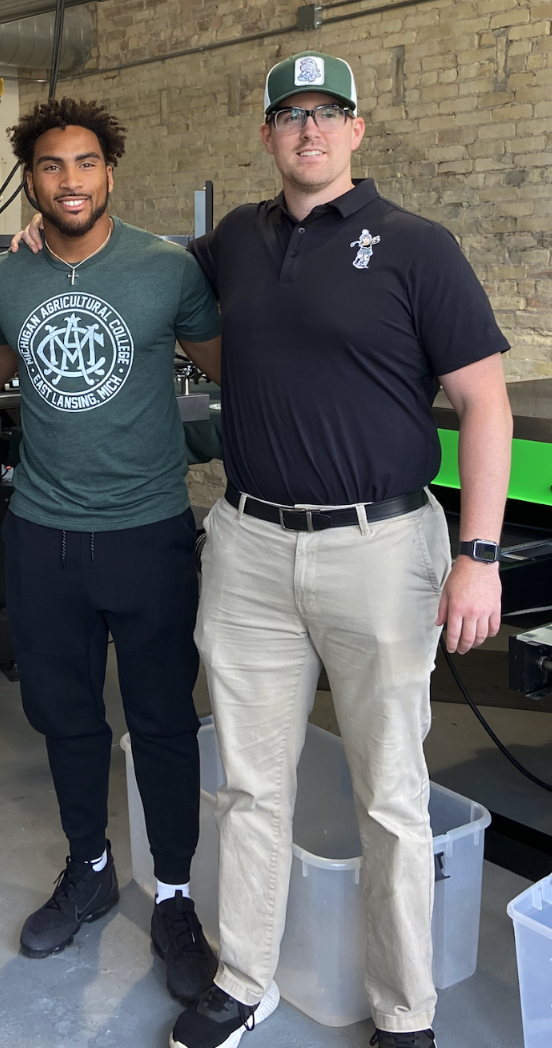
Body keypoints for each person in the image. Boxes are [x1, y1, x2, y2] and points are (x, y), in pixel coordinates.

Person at [166, 51, 513, 1048]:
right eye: (289, 114)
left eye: (327, 113)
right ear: (266, 134)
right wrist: (50, 241)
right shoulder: (234, 239)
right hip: (249, 546)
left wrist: (477, 553)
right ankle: (242, 979)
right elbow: (155, 287)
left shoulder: (417, 246)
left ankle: (404, 1013)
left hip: (379, 546)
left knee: (392, 797)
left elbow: (482, 401)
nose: (307, 130)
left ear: (357, 130)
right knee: (247, 784)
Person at [0, 97, 222, 1006]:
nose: (69, 181)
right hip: (44, 534)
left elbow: (238, 362)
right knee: (66, 717)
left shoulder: (166, 268)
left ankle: (176, 897)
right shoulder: (5, 277)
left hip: (149, 530)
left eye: (85, 163)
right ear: (30, 179)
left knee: (160, 720)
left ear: (110, 171)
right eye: (50, 166)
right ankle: (87, 866)